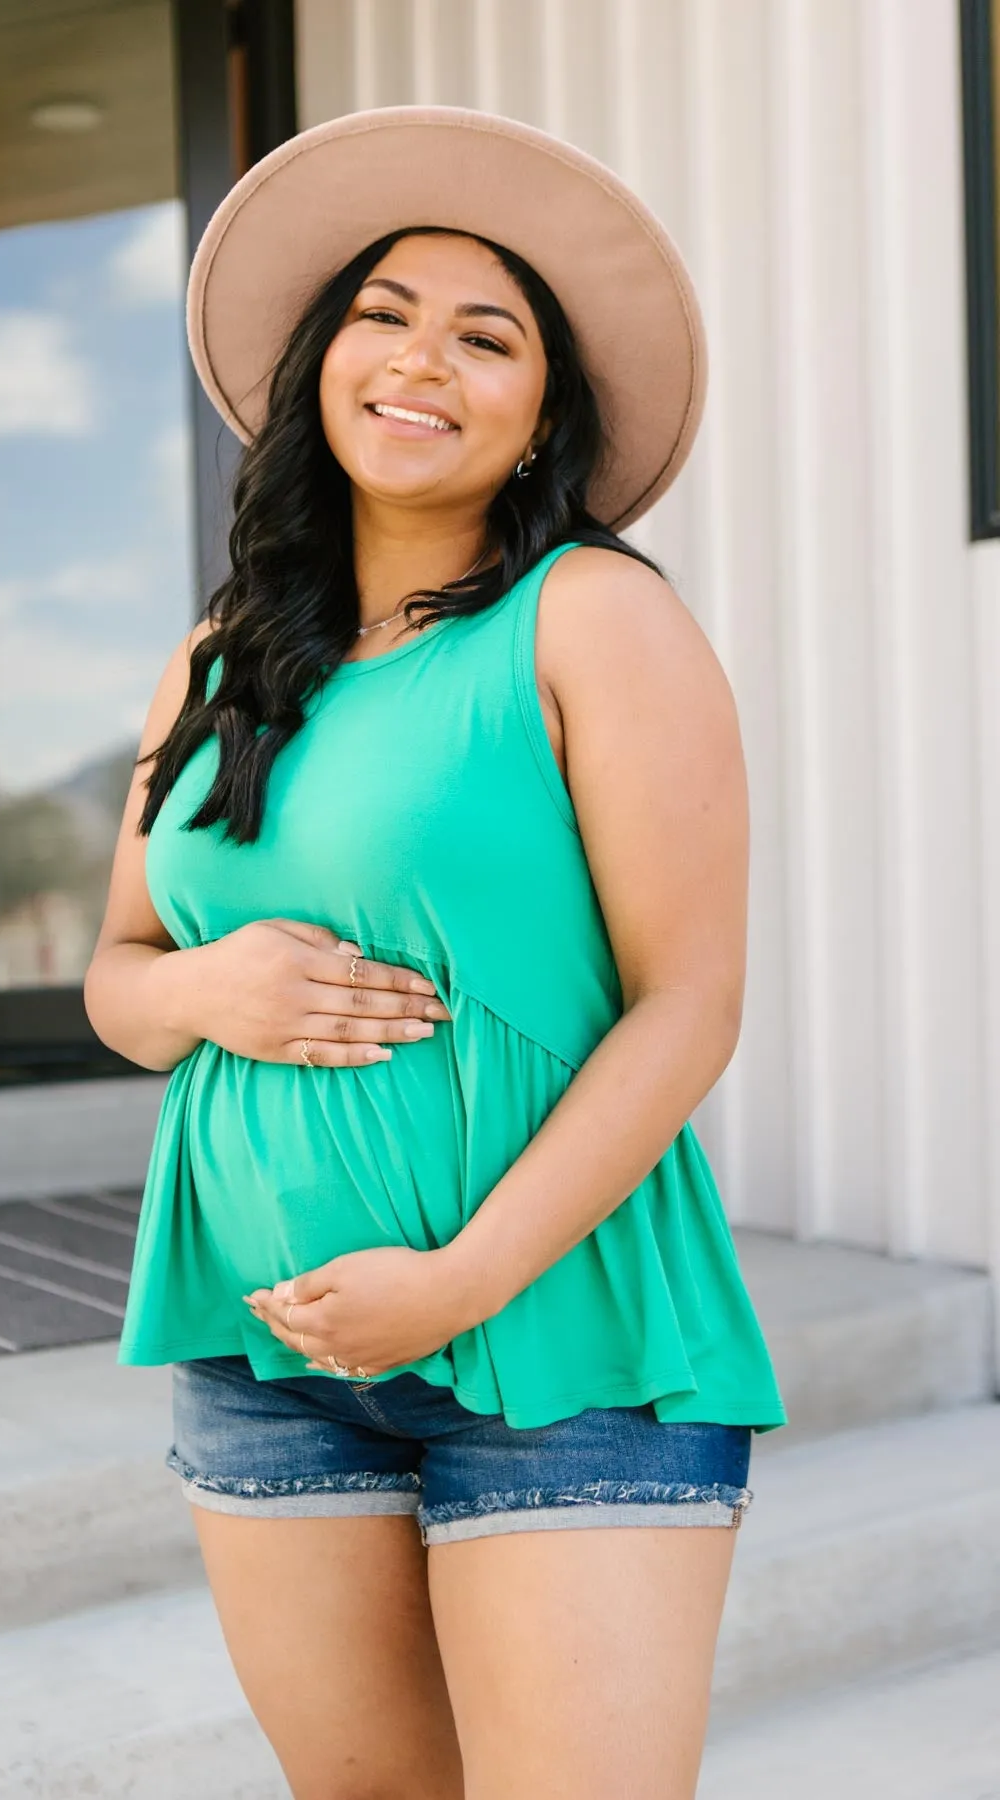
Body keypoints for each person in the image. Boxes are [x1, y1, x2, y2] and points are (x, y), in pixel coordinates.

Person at [84, 106, 788, 1800]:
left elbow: (689, 1008)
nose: (422, 360)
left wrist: (460, 1281)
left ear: (545, 413)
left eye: (489, 338)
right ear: (326, 361)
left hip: (563, 1354)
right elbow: (116, 972)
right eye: (385, 315)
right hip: (269, 1356)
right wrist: (204, 989)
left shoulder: (595, 617)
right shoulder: (217, 661)